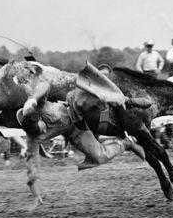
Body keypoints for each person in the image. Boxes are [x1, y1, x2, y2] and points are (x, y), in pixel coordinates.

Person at [20, 62, 150, 171]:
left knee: (97, 97)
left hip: (74, 106)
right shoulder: (35, 139)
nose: (43, 129)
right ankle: (127, 143)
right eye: (39, 131)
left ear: (37, 118)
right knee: (99, 157)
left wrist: (32, 99)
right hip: (75, 131)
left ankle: (127, 99)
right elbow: (32, 164)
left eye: (39, 125)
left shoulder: (40, 107)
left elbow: (45, 85)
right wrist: (35, 192)